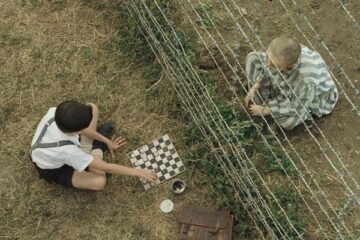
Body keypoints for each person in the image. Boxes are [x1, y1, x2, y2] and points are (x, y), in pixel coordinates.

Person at [30, 100, 157, 190]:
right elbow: (107, 167)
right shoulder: (67, 151)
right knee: (99, 181)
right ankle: (97, 149)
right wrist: (139, 172)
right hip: (55, 169)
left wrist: (107, 141)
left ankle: (89, 149)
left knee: (93, 108)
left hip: (58, 146)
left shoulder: (55, 112)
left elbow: (86, 119)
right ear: (72, 132)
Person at [244, 36, 338, 130]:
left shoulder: (306, 81)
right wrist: (255, 87)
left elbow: (297, 107)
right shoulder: (284, 52)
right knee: (252, 58)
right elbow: (269, 67)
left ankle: (268, 108)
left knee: (288, 122)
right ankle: (263, 99)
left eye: (273, 64)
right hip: (284, 79)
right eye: (268, 57)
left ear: (290, 66)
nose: (268, 64)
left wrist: (265, 110)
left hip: (306, 99)